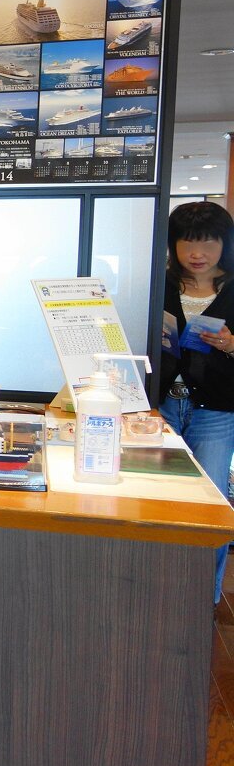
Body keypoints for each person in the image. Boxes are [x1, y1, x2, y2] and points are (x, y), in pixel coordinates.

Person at [160, 201, 234, 603]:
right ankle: (162, 586)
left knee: (212, 503)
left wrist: (231, 344)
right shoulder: (160, 283)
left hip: (216, 410)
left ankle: (205, 596)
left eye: (208, 243)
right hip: (162, 406)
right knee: (158, 495)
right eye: (187, 242)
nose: (197, 253)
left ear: (225, 244)